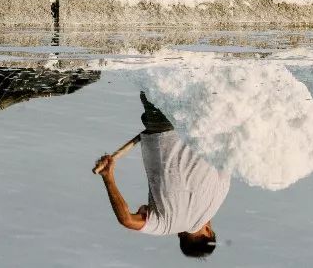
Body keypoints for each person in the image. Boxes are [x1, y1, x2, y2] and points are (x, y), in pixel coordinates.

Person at [92, 92, 231, 259]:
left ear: (208, 230)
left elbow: (226, 151)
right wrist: (108, 177)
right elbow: (127, 220)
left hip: (201, 117)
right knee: (152, 72)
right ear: (180, 235)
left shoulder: (219, 197)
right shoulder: (166, 226)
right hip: (162, 125)